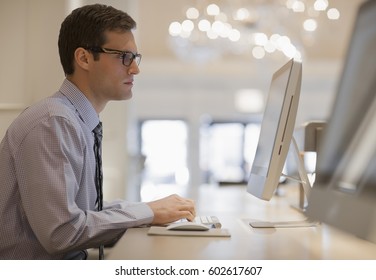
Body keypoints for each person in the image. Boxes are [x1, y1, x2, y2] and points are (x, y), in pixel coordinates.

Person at [0, 4, 195, 260]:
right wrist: (148, 212)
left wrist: (151, 210)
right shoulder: (53, 123)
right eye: (124, 57)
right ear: (84, 58)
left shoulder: (74, 120)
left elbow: (85, 213)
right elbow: (62, 233)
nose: (135, 69)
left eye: (135, 58)